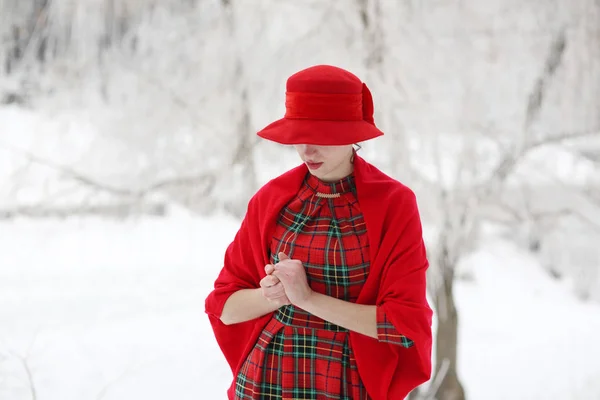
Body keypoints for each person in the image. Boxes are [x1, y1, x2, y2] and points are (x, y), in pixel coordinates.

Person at [204, 64, 433, 400]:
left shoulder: (394, 204)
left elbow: (404, 326)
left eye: (321, 135)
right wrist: (273, 295)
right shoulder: (270, 200)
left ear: (353, 134)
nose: (306, 150)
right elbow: (223, 306)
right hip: (264, 382)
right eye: (298, 135)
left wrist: (308, 299)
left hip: (344, 383)